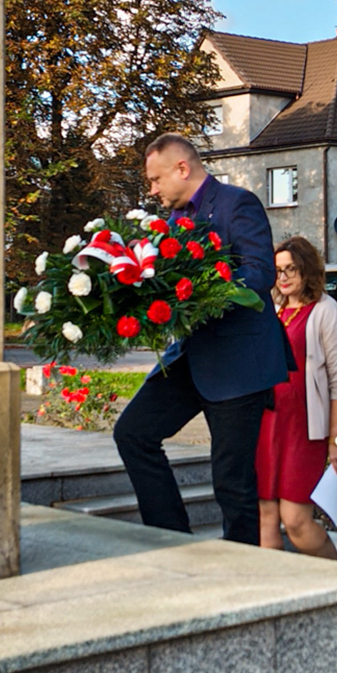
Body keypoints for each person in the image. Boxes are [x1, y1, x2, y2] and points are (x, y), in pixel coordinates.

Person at [113, 134, 288, 545]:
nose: (152, 190)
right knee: (133, 433)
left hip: (239, 365)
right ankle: (174, 540)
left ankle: (239, 570)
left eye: (155, 180)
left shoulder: (237, 203)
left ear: (182, 169)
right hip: (191, 358)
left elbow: (260, 273)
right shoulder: (171, 223)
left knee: (232, 482)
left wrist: (202, 287)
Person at [256, 236, 337, 560]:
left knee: (296, 520)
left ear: (306, 270)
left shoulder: (325, 311)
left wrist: (336, 437)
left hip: (304, 428)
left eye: (290, 269)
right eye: (278, 270)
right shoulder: (273, 309)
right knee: (266, 516)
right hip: (267, 423)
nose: (282, 277)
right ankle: (279, 588)